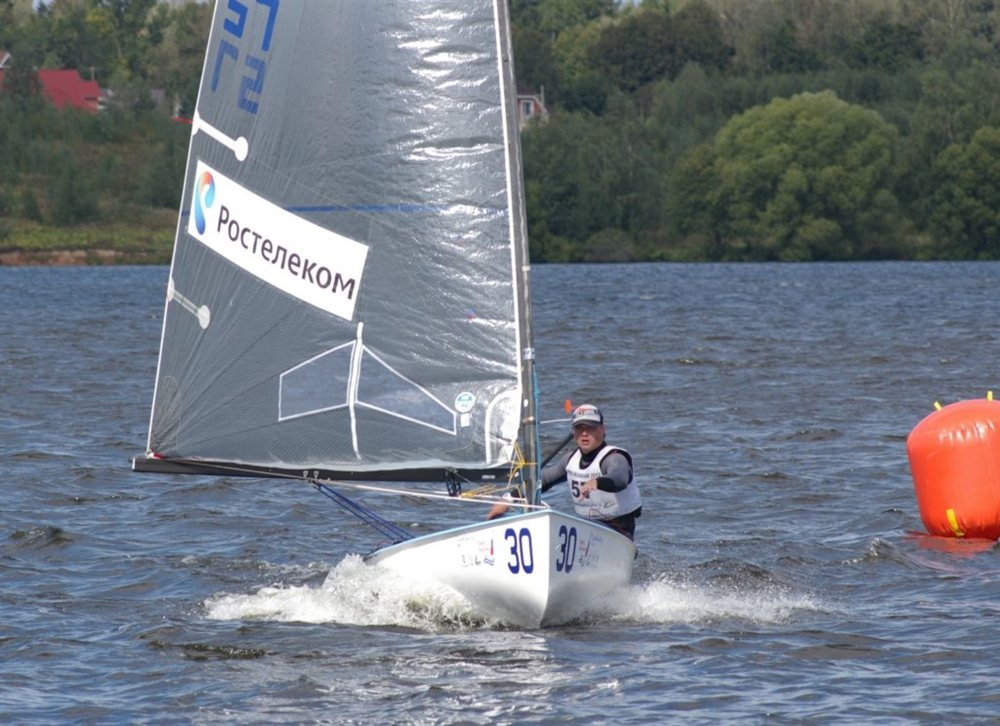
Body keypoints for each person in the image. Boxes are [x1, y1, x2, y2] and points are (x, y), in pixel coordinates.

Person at [487, 404, 642, 540]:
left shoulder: (614, 457)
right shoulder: (570, 460)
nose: (584, 433)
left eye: (590, 428)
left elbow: (619, 478)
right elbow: (542, 481)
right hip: (586, 527)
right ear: (573, 432)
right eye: (579, 428)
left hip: (618, 530)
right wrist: (509, 499)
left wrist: (597, 482)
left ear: (602, 429)